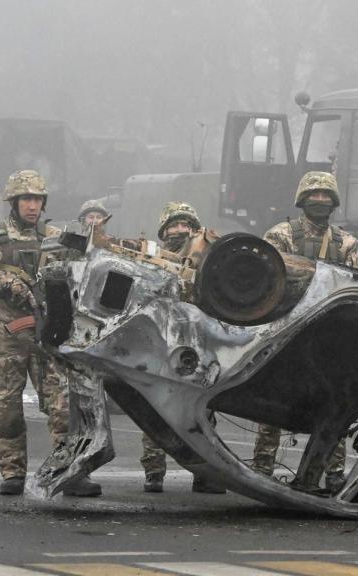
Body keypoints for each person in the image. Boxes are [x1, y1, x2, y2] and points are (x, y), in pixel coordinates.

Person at [0, 169, 101, 497]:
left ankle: (70, 472)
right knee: (7, 410)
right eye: (26, 199)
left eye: (37, 199)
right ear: (14, 202)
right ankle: (13, 472)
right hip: (7, 338)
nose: (32, 205)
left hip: (48, 336)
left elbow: (84, 270)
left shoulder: (54, 238)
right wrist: (5, 281)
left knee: (64, 408)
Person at [251, 172, 358, 491]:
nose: (320, 202)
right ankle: (262, 467)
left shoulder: (346, 243)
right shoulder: (281, 235)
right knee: (273, 400)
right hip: (287, 328)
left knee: (335, 402)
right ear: (302, 199)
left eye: (326, 197)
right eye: (314, 196)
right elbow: (266, 279)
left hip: (331, 334)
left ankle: (334, 471)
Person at [141, 201, 226, 494]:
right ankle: (154, 471)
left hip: (197, 343)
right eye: (174, 225)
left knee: (202, 410)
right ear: (164, 230)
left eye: (186, 225)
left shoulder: (207, 257)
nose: (180, 230)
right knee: (154, 405)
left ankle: (206, 474)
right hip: (160, 342)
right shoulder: (149, 258)